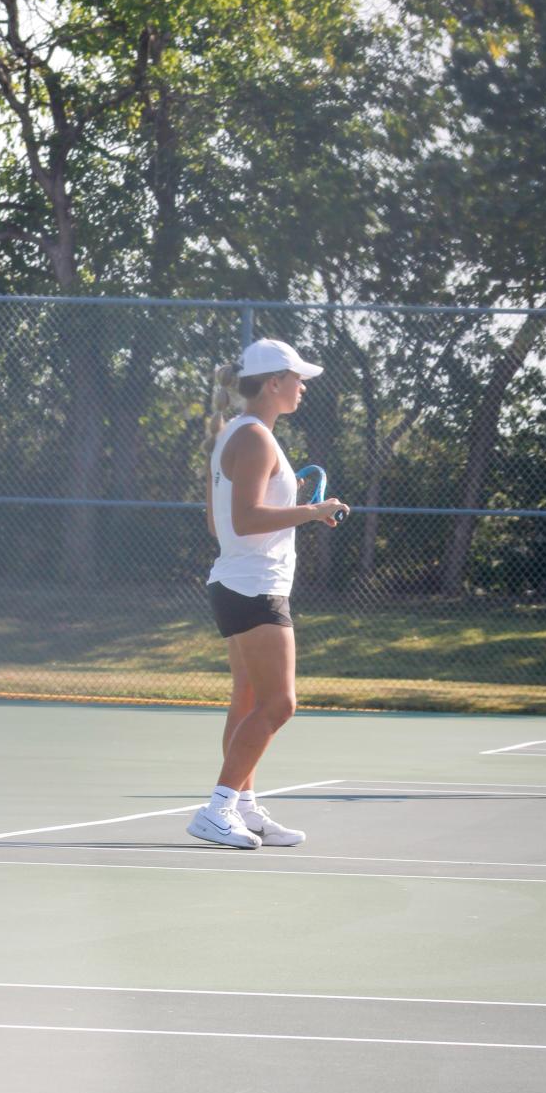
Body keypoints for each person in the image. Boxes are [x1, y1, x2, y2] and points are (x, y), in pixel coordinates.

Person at [189, 337, 347, 850]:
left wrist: (291, 510)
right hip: (255, 589)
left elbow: (219, 524)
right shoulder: (255, 439)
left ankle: (245, 808)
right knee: (280, 703)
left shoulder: (237, 436)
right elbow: (245, 519)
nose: (303, 387)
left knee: (250, 697)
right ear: (275, 383)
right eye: (297, 378)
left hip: (237, 583)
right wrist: (312, 512)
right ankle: (217, 809)